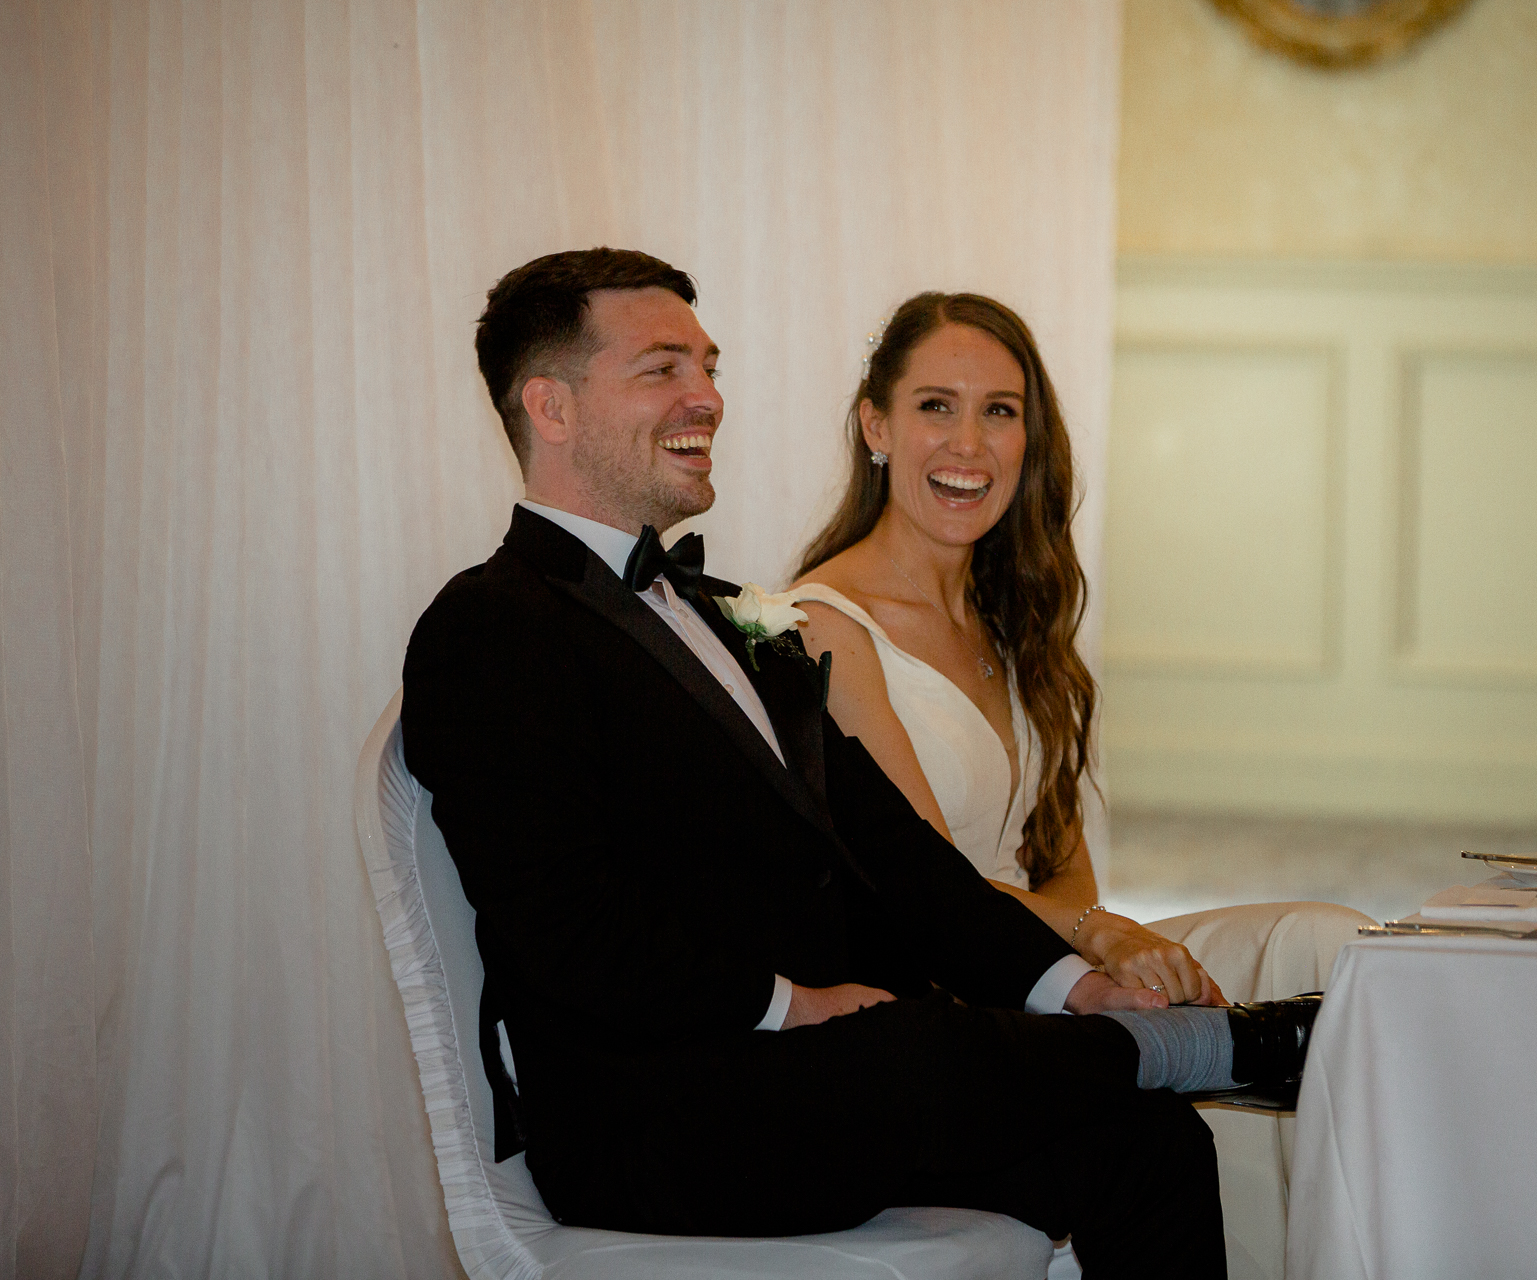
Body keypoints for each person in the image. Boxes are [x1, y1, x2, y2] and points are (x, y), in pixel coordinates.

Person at [399, 247, 1321, 1279]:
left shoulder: (726, 614)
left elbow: (896, 851)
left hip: (822, 1083)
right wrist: (792, 1001)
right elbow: (568, 931)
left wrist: (1071, 985)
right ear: (551, 407)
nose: (707, 394)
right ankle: (1229, 1050)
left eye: (708, 366)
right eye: (663, 368)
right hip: (656, 1119)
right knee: (909, 1043)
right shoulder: (488, 625)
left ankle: (1169, 1057)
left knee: (1147, 1146)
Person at [787, 292, 1369, 1007]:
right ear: (877, 424)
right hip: (946, 983)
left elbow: (1067, 870)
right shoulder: (827, 624)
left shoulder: (1009, 618)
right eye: (936, 405)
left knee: (1329, 945)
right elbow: (927, 886)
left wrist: (1098, 935)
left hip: (1056, 948)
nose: (967, 443)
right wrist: (1097, 940)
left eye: (999, 411)